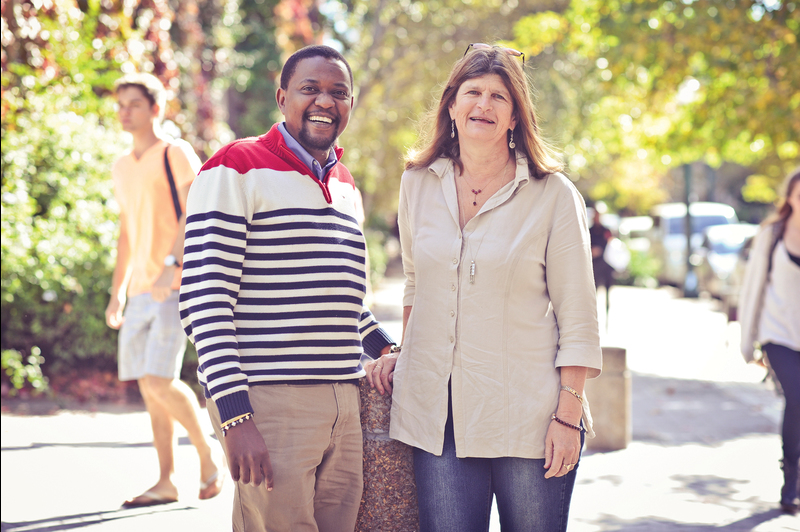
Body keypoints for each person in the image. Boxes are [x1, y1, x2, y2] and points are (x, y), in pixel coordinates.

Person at [366, 43, 603, 531]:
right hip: (440, 419)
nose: (484, 105)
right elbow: (417, 285)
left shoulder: (553, 195)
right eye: (472, 92)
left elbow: (577, 313)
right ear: (451, 106)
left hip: (530, 418)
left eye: (499, 97)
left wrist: (567, 415)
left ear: (516, 116)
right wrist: (404, 351)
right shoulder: (416, 182)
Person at [179, 45, 396, 532]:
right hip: (269, 400)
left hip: (344, 399)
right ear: (282, 97)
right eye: (310, 89)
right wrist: (235, 417)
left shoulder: (344, 184)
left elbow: (342, 301)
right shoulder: (235, 165)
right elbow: (204, 299)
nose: (325, 101)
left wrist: (387, 346)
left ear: (351, 104)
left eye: (338, 92)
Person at [105, 73, 223, 507]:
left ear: (155, 108)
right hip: (138, 289)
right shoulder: (121, 166)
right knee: (149, 388)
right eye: (121, 104)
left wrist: (171, 265)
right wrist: (118, 290)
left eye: (134, 104)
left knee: (159, 379)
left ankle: (209, 454)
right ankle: (166, 481)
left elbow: (196, 212)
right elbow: (127, 231)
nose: (125, 112)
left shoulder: (176, 153)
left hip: (174, 283)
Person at [739, 167, 800, 516]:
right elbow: (753, 290)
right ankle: (791, 478)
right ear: (789, 198)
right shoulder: (772, 234)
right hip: (777, 334)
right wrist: (748, 343)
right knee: (797, 397)